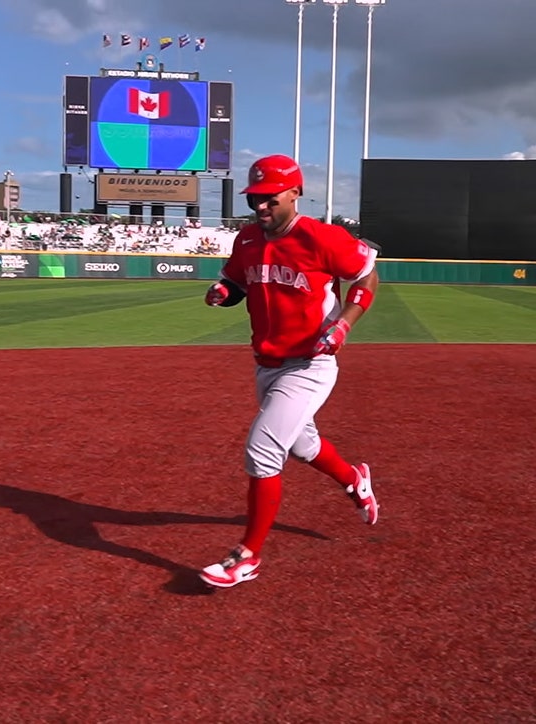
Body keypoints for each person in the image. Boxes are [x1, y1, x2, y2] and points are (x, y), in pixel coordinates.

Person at [197, 154, 381, 589]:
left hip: (311, 364)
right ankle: (355, 481)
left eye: (269, 198)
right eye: (254, 198)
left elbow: (367, 276)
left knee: (262, 450)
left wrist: (343, 324)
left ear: (295, 193)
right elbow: (237, 282)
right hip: (267, 364)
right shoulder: (246, 240)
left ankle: (247, 556)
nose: (260, 206)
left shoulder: (322, 238)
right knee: (303, 446)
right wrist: (224, 291)